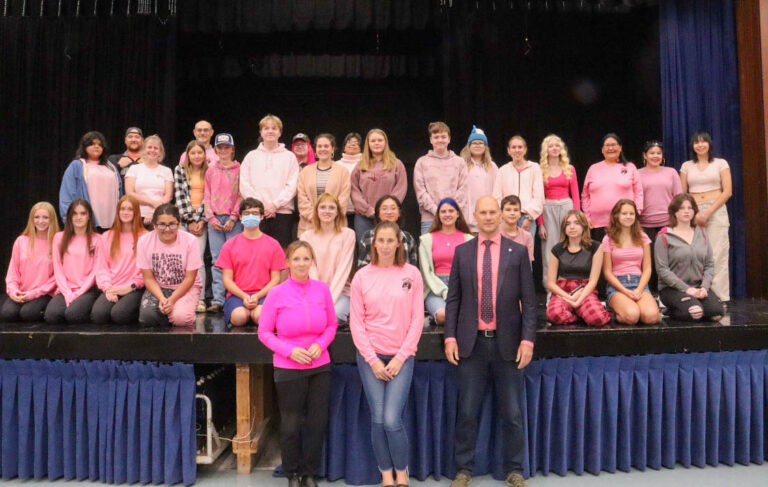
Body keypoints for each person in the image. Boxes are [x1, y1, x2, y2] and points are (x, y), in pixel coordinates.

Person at [445, 196, 536, 487]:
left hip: (508, 344)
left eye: (492, 212)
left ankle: (514, 470)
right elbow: (453, 300)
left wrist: (528, 341)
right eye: (482, 212)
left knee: (511, 413)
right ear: (474, 215)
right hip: (471, 344)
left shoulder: (519, 252)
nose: (487, 216)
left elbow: (530, 303)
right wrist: (449, 337)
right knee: (467, 412)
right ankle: (463, 470)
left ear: (500, 215)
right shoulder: (462, 252)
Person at [349, 221, 424, 487]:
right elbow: (356, 323)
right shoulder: (361, 276)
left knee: (392, 420)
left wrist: (400, 357)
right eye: (380, 240)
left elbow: (417, 319)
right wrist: (372, 360)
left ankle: (401, 472)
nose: (384, 245)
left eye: (390, 240)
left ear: (398, 243)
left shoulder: (412, 274)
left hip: (401, 358)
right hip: (370, 358)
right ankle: (386, 476)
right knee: (378, 419)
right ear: (373, 243)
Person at [258, 241, 337, 487]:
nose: (302, 264)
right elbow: (264, 332)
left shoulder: (322, 289)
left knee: (316, 423)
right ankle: (292, 473)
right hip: (288, 367)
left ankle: (309, 472)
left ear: (312, 262)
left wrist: (320, 345)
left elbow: (332, 325)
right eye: (297, 259)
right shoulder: (276, 293)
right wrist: (290, 351)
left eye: (306, 259)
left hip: (319, 365)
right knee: (290, 425)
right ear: (287, 263)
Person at [216, 198, 286, 326]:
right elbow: (227, 280)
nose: (251, 216)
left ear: (262, 216)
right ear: (241, 216)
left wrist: (258, 296)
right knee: (239, 317)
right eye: (247, 213)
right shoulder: (230, 245)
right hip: (237, 295)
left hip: (264, 295)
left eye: (255, 213)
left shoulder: (273, 245)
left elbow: (276, 279)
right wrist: (243, 296)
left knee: (260, 316)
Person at [680, 131, 732, 302]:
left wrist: (708, 212)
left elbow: (727, 191)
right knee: (695, 255)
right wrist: (693, 214)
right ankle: (697, 294)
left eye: (703, 142)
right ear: (692, 146)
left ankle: (719, 298)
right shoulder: (687, 166)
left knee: (718, 254)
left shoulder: (720, 163)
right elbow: (683, 193)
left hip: (716, 210)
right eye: (696, 142)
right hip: (693, 212)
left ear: (710, 144)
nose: (700, 145)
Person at [655, 194, 724, 321]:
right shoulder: (664, 237)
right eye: (681, 208)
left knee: (717, 313)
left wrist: (704, 287)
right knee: (695, 312)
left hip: (698, 286)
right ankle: (672, 310)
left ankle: (693, 304)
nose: (686, 211)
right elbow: (662, 269)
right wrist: (687, 289)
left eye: (690, 208)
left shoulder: (701, 233)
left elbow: (709, 264)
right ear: (674, 212)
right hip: (672, 289)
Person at [239, 114, 300, 248]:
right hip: (256, 213)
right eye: (266, 128)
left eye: (274, 128)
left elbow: (292, 185)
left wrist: (275, 204)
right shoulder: (251, 156)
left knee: (281, 253)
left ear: (280, 132)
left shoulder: (290, 157)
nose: (270, 131)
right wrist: (262, 206)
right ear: (261, 132)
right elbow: (244, 184)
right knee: (256, 251)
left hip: (283, 213)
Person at [136, 204, 202, 326]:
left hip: (185, 287)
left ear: (179, 224)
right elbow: (148, 278)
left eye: (172, 224)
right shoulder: (144, 241)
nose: (167, 229)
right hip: (159, 287)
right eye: (162, 224)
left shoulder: (191, 241)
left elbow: (190, 278)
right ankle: (168, 312)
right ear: (154, 225)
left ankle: (176, 312)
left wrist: (171, 300)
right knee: (147, 317)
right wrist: (162, 298)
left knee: (181, 319)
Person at [545, 210, 611, 328]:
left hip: (584, 289)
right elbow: (550, 283)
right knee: (554, 315)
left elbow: (593, 281)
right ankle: (578, 314)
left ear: (584, 226)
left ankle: (580, 310)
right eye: (568, 224)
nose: (572, 227)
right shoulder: (557, 249)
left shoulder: (595, 247)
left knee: (598, 318)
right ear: (564, 228)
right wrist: (570, 298)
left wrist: (578, 299)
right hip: (563, 290)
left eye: (576, 223)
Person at [299, 193, 356, 324]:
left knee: (332, 316)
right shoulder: (306, 236)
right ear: (317, 211)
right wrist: (319, 298)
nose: (327, 211)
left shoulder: (348, 235)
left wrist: (329, 300)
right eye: (323, 207)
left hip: (341, 292)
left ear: (338, 212)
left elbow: (343, 269)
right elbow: (310, 269)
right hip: (313, 293)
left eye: (332, 208)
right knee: (306, 316)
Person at [602, 199, 660, 325]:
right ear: (616, 215)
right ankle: (616, 308)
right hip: (618, 285)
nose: (628, 216)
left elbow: (648, 268)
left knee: (651, 317)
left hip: (639, 283)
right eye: (624, 213)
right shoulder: (608, 239)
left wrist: (639, 289)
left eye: (631, 214)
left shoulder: (642, 237)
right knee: (631, 316)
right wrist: (624, 290)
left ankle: (636, 306)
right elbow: (607, 272)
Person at [91, 195, 146, 324]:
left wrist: (130, 287)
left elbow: (147, 271)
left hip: (133, 288)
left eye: (130, 209)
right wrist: (107, 288)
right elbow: (101, 268)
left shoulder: (144, 237)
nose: (125, 212)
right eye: (122, 209)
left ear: (136, 212)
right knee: (99, 315)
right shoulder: (107, 236)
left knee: (120, 315)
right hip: (112, 287)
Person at [45, 199, 101, 324]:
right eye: (74, 213)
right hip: (66, 289)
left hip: (87, 290)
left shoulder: (97, 239)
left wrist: (79, 293)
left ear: (89, 216)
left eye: (83, 213)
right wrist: (67, 292)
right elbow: (58, 268)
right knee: (51, 315)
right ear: (69, 216)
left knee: (73, 315)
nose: (78, 217)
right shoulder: (59, 238)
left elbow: (96, 271)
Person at [419, 198, 473, 325]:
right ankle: (436, 315)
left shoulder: (469, 239)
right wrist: (444, 292)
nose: (447, 214)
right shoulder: (426, 240)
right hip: (435, 288)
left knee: (464, 316)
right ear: (438, 215)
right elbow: (426, 273)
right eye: (443, 211)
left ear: (458, 214)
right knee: (445, 315)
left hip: (461, 288)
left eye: (451, 211)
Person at [2, 202, 59, 322]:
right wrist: (14, 292)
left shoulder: (57, 243)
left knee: (28, 314)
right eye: (37, 217)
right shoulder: (21, 241)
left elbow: (56, 278)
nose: (40, 221)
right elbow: (13, 272)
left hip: (43, 293)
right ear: (31, 219)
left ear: (52, 220)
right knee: (8, 314)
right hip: (22, 292)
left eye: (45, 217)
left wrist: (33, 294)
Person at [204, 133, 243, 313]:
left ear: (233, 149)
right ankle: (218, 299)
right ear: (216, 150)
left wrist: (234, 216)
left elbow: (241, 195)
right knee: (217, 260)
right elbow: (207, 195)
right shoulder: (210, 170)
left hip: (232, 220)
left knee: (235, 260)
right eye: (220, 147)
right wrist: (210, 217)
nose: (223, 151)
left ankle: (233, 296)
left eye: (227, 147)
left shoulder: (240, 169)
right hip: (215, 220)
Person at [582, 133, 644, 243]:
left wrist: (636, 212)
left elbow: (639, 192)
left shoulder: (630, 167)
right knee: (601, 258)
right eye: (607, 145)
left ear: (620, 148)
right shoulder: (593, 168)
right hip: (597, 224)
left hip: (624, 223)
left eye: (614, 145)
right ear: (602, 149)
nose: (610, 148)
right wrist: (587, 217)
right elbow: (585, 195)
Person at [638, 141, 682, 292]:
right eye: (652, 153)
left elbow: (679, 198)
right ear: (645, 155)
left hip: (668, 224)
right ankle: (649, 293)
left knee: (668, 261)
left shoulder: (671, 172)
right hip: (644, 224)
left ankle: (668, 293)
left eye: (658, 153)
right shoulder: (637, 174)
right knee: (647, 261)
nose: (655, 156)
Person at [537, 134, 580, 288]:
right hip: (548, 209)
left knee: (569, 246)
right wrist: (540, 223)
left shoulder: (569, 169)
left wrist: (577, 218)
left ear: (561, 149)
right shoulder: (540, 169)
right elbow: (539, 197)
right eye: (550, 146)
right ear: (546, 150)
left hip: (567, 209)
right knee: (549, 250)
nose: (554, 148)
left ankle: (570, 285)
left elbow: (575, 195)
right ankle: (551, 288)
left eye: (557, 145)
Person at [350, 128, 408, 240]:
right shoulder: (360, 165)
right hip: (364, 217)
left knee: (389, 249)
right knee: (366, 251)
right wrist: (369, 210)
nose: (376, 143)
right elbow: (354, 190)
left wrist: (387, 210)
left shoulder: (396, 164)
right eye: (373, 141)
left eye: (380, 140)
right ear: (368, 144)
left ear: (385, 142)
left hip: (389, 216)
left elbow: (401, 188)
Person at [59, 131, 123, 230]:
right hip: (87, 221)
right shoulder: (76, 166)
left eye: (99, 144)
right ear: (84, 147)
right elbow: (67, 193)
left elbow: (120, 192)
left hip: (112, 222)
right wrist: (68, 217)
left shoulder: (111, 167)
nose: (96, 146)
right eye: (92, 144)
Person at [413, 122, 469, 234]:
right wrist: (437, 211)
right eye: (436, 137)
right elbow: (421, 192)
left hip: (454, 219)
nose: (440, 140)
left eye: (443, 136)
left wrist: (450, 211)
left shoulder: (459, 162)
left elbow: (463, 189)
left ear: (449, 139)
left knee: (456, 251)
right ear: (431, 140)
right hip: (430, 219)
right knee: (428, 250)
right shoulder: (422, 162)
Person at [175, 140, 209, 313]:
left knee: (199, 261)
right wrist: (190, 220)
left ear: (205, 155)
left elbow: (209, 197)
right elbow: (180, 196)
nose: (196, 156)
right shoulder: (180, 170)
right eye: (193, 153)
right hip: (184, 221)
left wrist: (201, 219)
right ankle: (182, 296)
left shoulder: (210, 171)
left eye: (199, 153)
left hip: (202, 221)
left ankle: (200, 298)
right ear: (187, 155)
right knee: (182, 260)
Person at [296, 134, 351, 236]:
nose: (323, 149)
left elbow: (343, 199)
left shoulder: (343, 171)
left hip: (336, 226)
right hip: (309, 225)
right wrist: (316, 217)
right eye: (319, 146)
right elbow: (302, 199)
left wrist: (329, 217)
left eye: (326, 146)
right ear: (315, 150)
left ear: (332, 149)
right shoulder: (305, 172)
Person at [492, 135, 544, 240]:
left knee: (525, 253)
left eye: (520, 147)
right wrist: (503, 217)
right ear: (508, 150)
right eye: (514, 147)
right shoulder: (503, 170)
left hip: (527, 217)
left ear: (525, 150)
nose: (517, 150)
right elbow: (496, 197)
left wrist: (529, 218)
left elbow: (539, 197)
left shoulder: (534, 168)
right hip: (506, 218)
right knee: (506, 253)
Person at [125, 134, 174, 227]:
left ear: (160, 152)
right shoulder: (134, 169)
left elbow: (168, 196)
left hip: (160, 216)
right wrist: (153, 203)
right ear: (144, 150)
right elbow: (130, 193)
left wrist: (154, 211)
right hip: (137, 215)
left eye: (156, 148)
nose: (152, 150)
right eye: (149, 147)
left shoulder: (166, 171)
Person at [357, 195, 418, 267]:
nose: (389, 212)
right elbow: (362, 266)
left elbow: (414, 267)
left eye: (393, 208)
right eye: (384, 208)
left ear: (399, 213)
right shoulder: (368, 236)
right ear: (378, 213)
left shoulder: (407, 238)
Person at [459, 126, 498, 233]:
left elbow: (497, 190)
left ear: (485, 146)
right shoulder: (462, 164)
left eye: (481, 143)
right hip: (467, 218)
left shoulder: (492, 166)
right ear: (469, 146)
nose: (478, 145)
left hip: (488, 218)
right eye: (474, 143)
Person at [336, 132, 363, 229]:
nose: (352, 144)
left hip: (362, 213)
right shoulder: (335, 165)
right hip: (339, 213)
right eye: (349, 141)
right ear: (344, 146)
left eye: (356, 142)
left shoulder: (367, 165)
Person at [499, 195, 535, 263]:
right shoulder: (493, 233)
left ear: (520, 214)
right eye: (508, 210)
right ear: (501, 213)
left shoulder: (527, 236)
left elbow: (527, 264)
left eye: (516, 210)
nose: (512, 213)